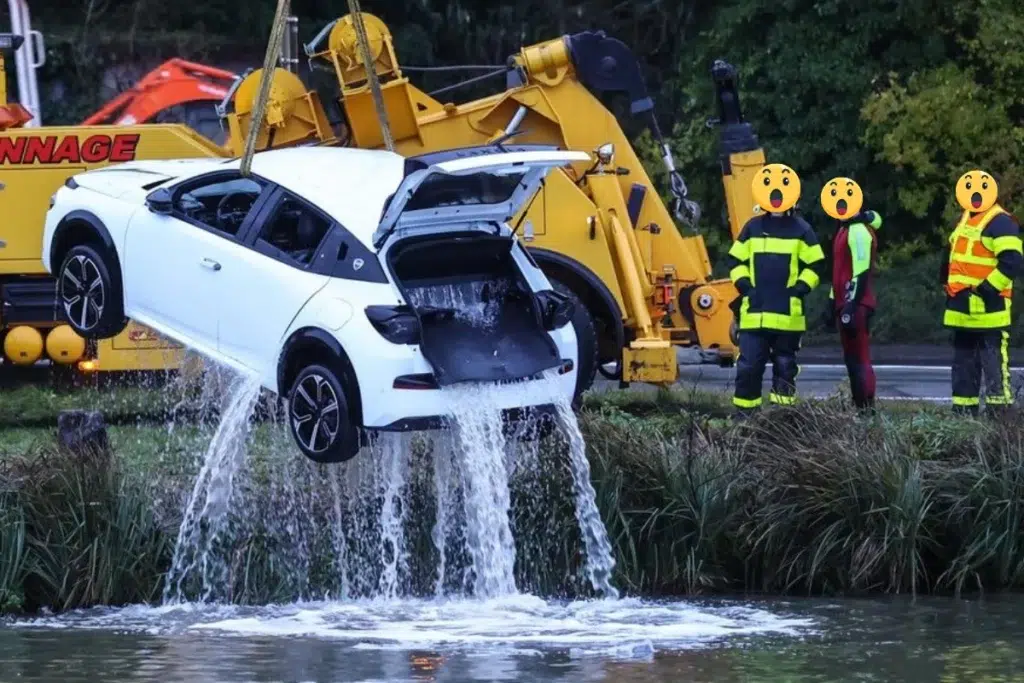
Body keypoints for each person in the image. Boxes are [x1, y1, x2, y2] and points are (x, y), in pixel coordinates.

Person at [726, 163, 825, 416]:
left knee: (785, 367)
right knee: (749, 368)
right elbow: (736, 262)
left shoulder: (802, 230)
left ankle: (781, 424)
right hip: (754, 315)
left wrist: (800, 288)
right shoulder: (752, 227)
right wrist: (745, 286)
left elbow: (815, 266)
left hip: (787, 317)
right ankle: (745, 421)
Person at [940, 169, 1023, 415]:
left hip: (990, 312)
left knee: (994, 369)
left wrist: (987, 290)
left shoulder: (1001, 222)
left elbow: (1012, 261)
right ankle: (964, 418)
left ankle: (1000, 424)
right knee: (963, 369)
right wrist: (946, 284)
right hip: (962, 311)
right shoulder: (964, 219)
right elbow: (952, 257)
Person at [819, 177, 882, 411]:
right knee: (852, 359)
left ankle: (866, 408)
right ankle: (860, 406)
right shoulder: (843, 230)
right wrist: (831, 304)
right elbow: (840, 274)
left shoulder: (857, 232)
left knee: (860, 358)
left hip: (857, 305)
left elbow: (861, 271)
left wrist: (852, 304)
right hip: (847, 303)